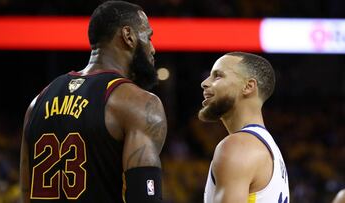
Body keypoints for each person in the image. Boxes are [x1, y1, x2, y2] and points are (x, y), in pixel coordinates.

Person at [20, 1, 167, 203]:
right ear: (128, 36)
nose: (153, 48)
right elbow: (145, 199)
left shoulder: (38, 102)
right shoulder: (137, 103)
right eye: (148, 37)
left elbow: (26, 195)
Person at [199, 52, 290, 203]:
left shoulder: (238, 146)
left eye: (218, 76)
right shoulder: (269, 149)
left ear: (248, 86)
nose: (205, 83)